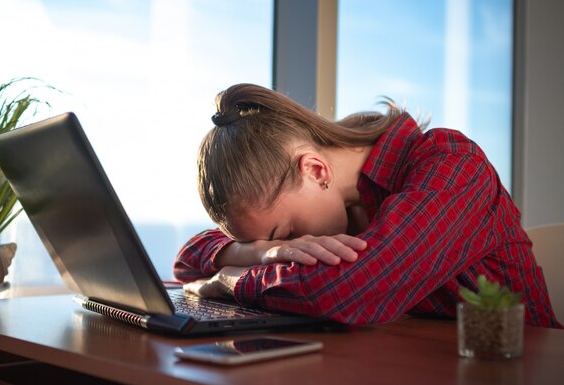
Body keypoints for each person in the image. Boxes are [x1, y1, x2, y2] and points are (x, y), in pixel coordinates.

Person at [173, 83, 561, 329]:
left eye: (287, 233)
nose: (294, 248)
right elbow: (189, 258)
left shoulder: (452, 165)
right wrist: (259, 250)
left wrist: (232, 280)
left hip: (513, 371)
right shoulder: (338, 201)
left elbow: (351, 289)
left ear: (314, 169)